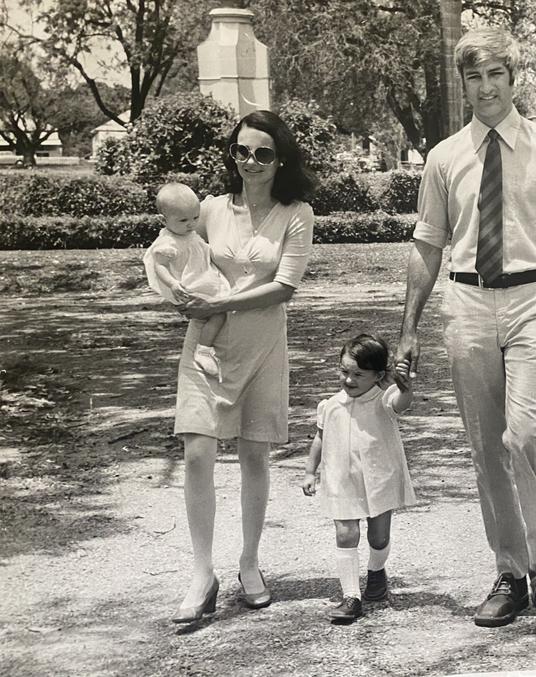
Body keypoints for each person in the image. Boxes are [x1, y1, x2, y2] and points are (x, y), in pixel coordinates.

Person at [396, 27, 536, 641]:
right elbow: (427, 245)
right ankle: (510, 573)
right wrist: (407, 330)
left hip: (534, 299)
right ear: (465, 86)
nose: (486, 88)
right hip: (467, 304)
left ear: (513, 79)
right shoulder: (444, 157)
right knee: (486, 446)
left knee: (529, 432)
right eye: (474, 78)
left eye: (496, 76)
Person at [170, 110, 316, 624]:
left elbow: (285, 288)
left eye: (263, 154)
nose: (250, 162)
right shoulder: (209, 208)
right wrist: (178, 291)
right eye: (241, 151)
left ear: (281, 160)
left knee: (255, 457)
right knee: (197, 453)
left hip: (262, 347)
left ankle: (250, 562)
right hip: (206, 348)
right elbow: (177, 252)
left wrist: (221, 305)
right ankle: (201, 572)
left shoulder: (297, 212)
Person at [302, 334, 417, 624]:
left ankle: (376, 571)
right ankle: (351, 596)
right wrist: (309, 471)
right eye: (344, 371)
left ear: (378, 375)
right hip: (341, 478)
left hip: (378, 477)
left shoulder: (384, 398)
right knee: (345, 533)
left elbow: (401, 404)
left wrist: (404, 388)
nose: (349, 380)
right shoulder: (330, 405)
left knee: (378, 536)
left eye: (358, 374)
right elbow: (320, 437)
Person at [143, 182, 229, 382]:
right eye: (183, 220)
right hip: (188, 284)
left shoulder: (187, 233)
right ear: (163, 220)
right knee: (218, 313)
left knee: (220, 309)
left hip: (201, 276)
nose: (191, 224)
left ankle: (207, 346)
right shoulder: (167, 243)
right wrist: (172, 283)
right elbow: (160, 266)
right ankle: (204, 349)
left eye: (195, 218)